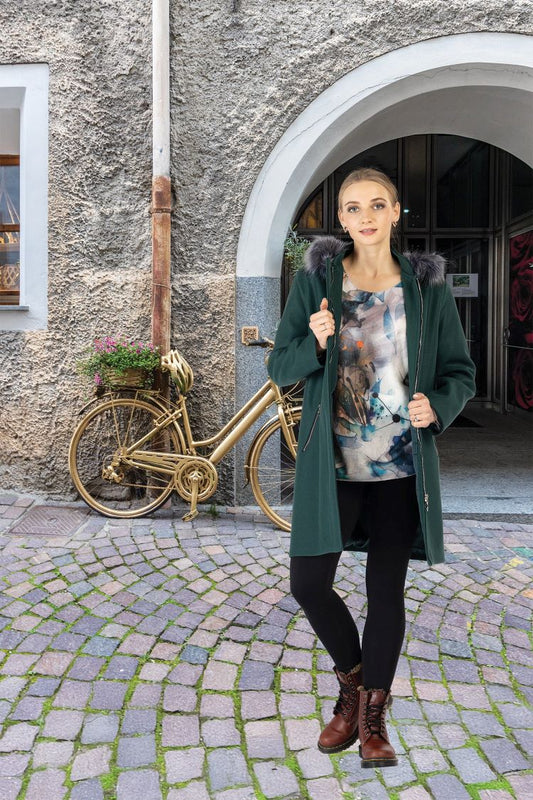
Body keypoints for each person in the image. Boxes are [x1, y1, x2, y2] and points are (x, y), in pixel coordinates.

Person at [267, 167, 476, 768]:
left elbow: (459, 372)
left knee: (385, 591)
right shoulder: (318, 283)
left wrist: (438, 405)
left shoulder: (427, 289)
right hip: (332, 465)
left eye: (377, 205)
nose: (366, 216)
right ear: (342, 219)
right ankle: (353, 689)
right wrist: (314, 342)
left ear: (395, 212)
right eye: (354, 207)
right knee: (308, 583)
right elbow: (280, 366)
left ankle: (371, 720)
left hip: (401, 466)